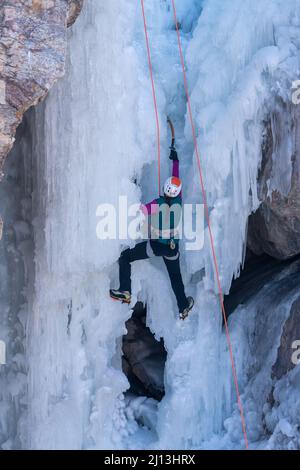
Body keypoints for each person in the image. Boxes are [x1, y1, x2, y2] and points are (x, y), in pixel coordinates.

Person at [110, 146, 194, 320]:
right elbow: (176, 180)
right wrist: (175, 161)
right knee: (175, 279)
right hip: (172, 250)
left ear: (164, 189)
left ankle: (126, 291)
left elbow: (141, 209)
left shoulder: (158, 203)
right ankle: (183, 307)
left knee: (125, 256)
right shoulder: (178, 202)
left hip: (154, 247)